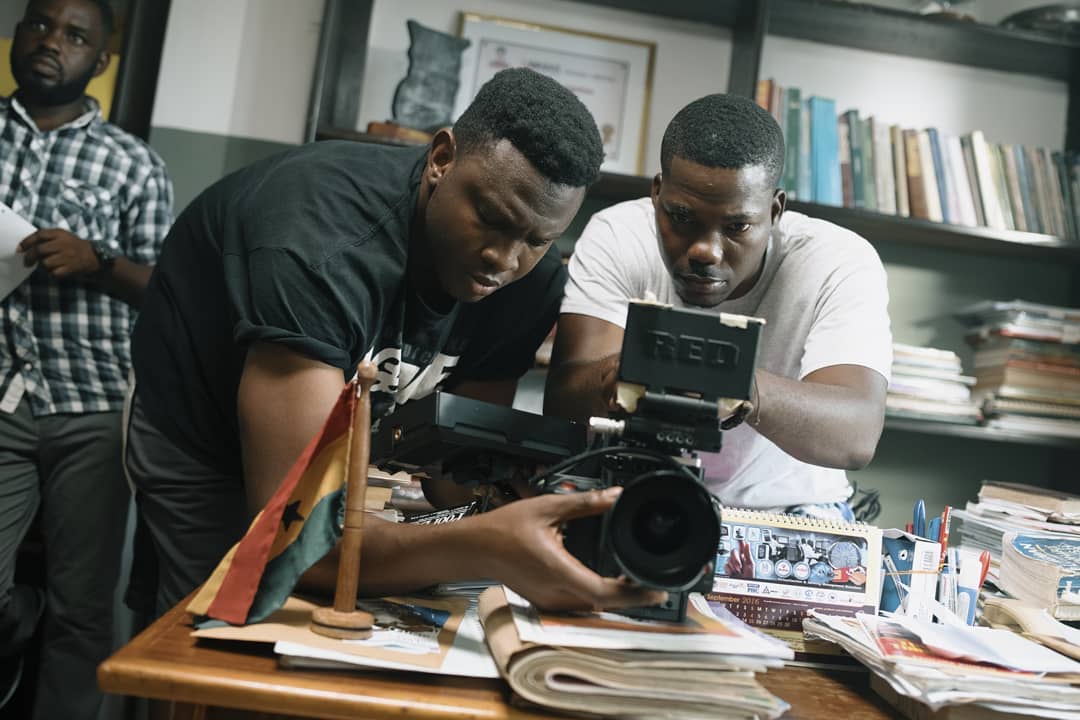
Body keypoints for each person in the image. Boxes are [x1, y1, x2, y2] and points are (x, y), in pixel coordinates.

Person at [125, 67, 667, 624]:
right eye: (490, 219)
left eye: (537, 239)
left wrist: (507, 502)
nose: (503, 260)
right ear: (441, 159)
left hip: (320, 446)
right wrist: (488, 543)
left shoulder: (531, 285)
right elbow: (299, 541)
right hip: (199, 432)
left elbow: (451, 475)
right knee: (214, 625)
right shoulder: (321, 238)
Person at [544, 93, 892, 520]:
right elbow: (562, 404)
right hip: (637, 495)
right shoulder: (619, 235)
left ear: (775, 211)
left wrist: (734, 384)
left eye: (737, 226)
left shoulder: (837, 260)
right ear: (656, 193)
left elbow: (856, 436)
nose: (705, 251)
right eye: (681, 217)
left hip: (789, 510)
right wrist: (616, 376)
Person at [0, 0, 173, 717]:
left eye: (75, 36)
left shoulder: (134, 163)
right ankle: (16, 618)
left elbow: (165, 288)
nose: (53, 42)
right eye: (40, 25)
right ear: (17, 35)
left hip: (92, 406)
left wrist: (97, 261)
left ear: (99, 62)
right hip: (0, 396)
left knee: (81, 606)